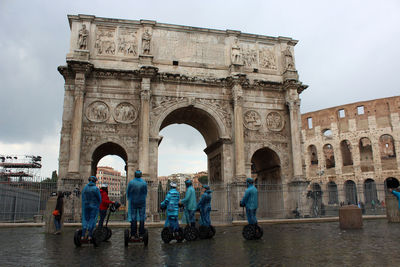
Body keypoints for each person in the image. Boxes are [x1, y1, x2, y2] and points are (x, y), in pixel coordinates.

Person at [127, 170, 148, 237]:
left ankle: (133, 233)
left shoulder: (131, 182)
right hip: (142, 202)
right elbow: (145, 193)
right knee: (142, 217)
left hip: (133, 201)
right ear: (141, 175)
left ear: (135, 175)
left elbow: (128, 192)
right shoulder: (144, 183)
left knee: (133, 217)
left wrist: (129, 199)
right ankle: (141, 232)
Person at [81, 176, 101, 241]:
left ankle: (83, 235)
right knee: (92, 219)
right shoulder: (96, 188)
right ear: (95, 181)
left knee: (85, 219)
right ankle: (90, 235)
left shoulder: (85, 188)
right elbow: (99, 199)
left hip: (86, 206)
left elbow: (83, 197)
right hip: (94, 206)